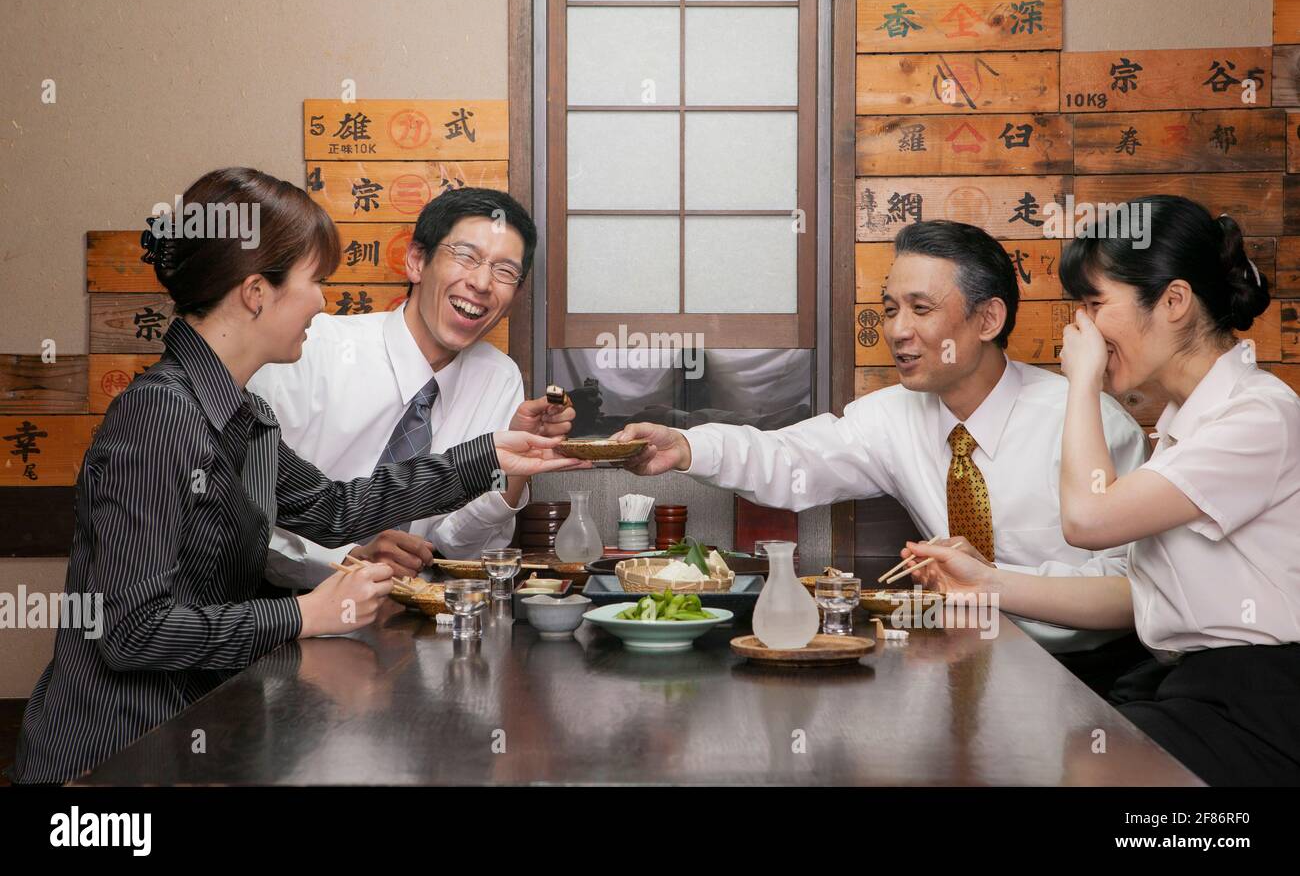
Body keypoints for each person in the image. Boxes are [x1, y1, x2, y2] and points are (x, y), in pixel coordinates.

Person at [7, 168, 584, 785]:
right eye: (316, 281)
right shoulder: (159, 412)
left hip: (202, 732)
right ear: (257, 292)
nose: (323, 301)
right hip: (112, 756)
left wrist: (491, 456)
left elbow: (335, 510)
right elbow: (129, 630)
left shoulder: (242, 414)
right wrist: (304, 614)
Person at [615, 220, 1151, 687]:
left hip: (1084, 672)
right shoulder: (894, 415)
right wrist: (688, 446)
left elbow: (1133, 588)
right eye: (890, 309)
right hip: (957, 660)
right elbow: (791, 459)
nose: (897, 331)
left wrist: (994, 585)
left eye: (921, 309)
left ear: (988, 319)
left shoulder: (1089, 423)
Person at [902, 196, 1300, 786]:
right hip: (1182, 682)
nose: (1080, 328)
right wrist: (986, 581)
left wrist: (1082, 382)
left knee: (1080, 767)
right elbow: (1134, 595)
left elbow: (1086, 521)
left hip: (1259, 700)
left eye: (1094, 305)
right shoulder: (1186, 423)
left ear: (1173, 302)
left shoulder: (1259, 416)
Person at [249, 188, 573, 588]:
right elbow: (242, 514)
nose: (483, 282)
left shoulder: (499, 378)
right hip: (290, 609)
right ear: (417, 261)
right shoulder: (309, 350)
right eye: (466, 256)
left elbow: (460, 548)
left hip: (418, 612)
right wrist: (345, 560)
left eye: (505, 271)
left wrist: (515, 474)